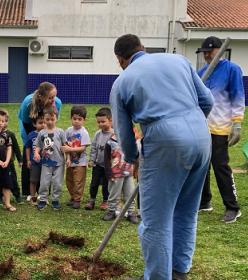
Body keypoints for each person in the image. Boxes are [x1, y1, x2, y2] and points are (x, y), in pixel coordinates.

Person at [110, 34, 213, 280]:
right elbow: (207, 101)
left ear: (120, 59)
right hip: (201, 136)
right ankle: (179, 271)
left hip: (164, 140)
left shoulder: (122, 81)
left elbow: (124, 135)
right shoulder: (179, 61)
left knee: (156, 220)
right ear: (143, 48)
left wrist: (135, 157)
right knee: (186, 211)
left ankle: (157, 277)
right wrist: (191, 124)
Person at [196, 36, 245, 223]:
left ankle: (232, 207)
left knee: (221, 167)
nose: (207, 55)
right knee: (201, 166)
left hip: (221, 127)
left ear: (220, 50)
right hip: (203, 127)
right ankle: (204, 201)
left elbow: (237, 96)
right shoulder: (202, 72)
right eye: (205, 52)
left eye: (210, 51)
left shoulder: (232, 69)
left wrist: (237, 122)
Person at [18, 82, 62, 198]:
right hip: (30, 130)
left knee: (46, 158)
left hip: (47, 132)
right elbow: (26, 123)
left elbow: (53, 122)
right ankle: (29, 192)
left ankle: (43, 191)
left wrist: (46, 138)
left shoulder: (57, 103)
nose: (54, 99)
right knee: (31, 159)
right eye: (50, 97)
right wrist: (34, 139)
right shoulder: (28, 102)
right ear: (41, 97)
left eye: (54, 96)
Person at [34, 107, 67, 211]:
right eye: (47, 119)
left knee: (58, 183)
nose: (50, 122)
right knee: (44, 182)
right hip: (46, 163)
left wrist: (68, 158)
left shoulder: (60, 132)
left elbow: (65, 145)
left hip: (59, 163)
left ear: (56, 118)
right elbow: (38, 145)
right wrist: (36, 153)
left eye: (52, 119)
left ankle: (55, 200)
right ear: (44, 118)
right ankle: (43, 200)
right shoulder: (41, 133)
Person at [103, 132, 138, 224]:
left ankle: (130, 212)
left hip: (128, 172)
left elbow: (135, 155)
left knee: (130, 192)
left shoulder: (130, 141)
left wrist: (135, 169)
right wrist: (109, 174)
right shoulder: (110, 143)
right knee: (114, 192)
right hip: (115, 173)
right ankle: (112, 210)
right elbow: (106, 160)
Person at [61, 105, 91, 209]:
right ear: (70, 118)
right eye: (74, 119)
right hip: (70, 161)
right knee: (69, 180)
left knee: (78, 181)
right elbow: (65, 144)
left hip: (80, 162)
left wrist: (70, 149)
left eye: (79, 119)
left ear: (84, 119)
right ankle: (72, 196)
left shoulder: (84, 132)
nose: (76, 121)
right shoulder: (68, 130)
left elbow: (82, 148)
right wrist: (68, 158)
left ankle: (77, 199)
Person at [86, 108, 114, 211]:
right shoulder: (98, 134)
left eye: (103, 121)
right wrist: (92, 160)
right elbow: (93, 148)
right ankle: (92, 199)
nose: (100, 124)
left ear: (110, 120)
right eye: (98, 122)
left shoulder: (114, 135)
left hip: (109, 166)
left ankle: (105, 201)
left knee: (107, 184)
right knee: (94, 182)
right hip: (97, 164)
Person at [0, 114, 24, 205]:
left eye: (5, 121)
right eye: (0, 121)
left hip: (9, 163)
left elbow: (16, 147)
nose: (3, 123)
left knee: (13, 179)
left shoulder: (10, 134)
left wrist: (20, 159)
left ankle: (17, 195)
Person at [24, 114, 45, 206]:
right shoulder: (31, 135)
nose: (43, 125)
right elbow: (27, 147)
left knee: (45, 181)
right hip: (35, 162)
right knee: (33, 180)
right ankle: (33, 198)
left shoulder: (48, 134)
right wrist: (28, 160)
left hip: (46, 162)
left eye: (44, 122)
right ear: (34, 124)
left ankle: (43, 197)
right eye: (40, 123)